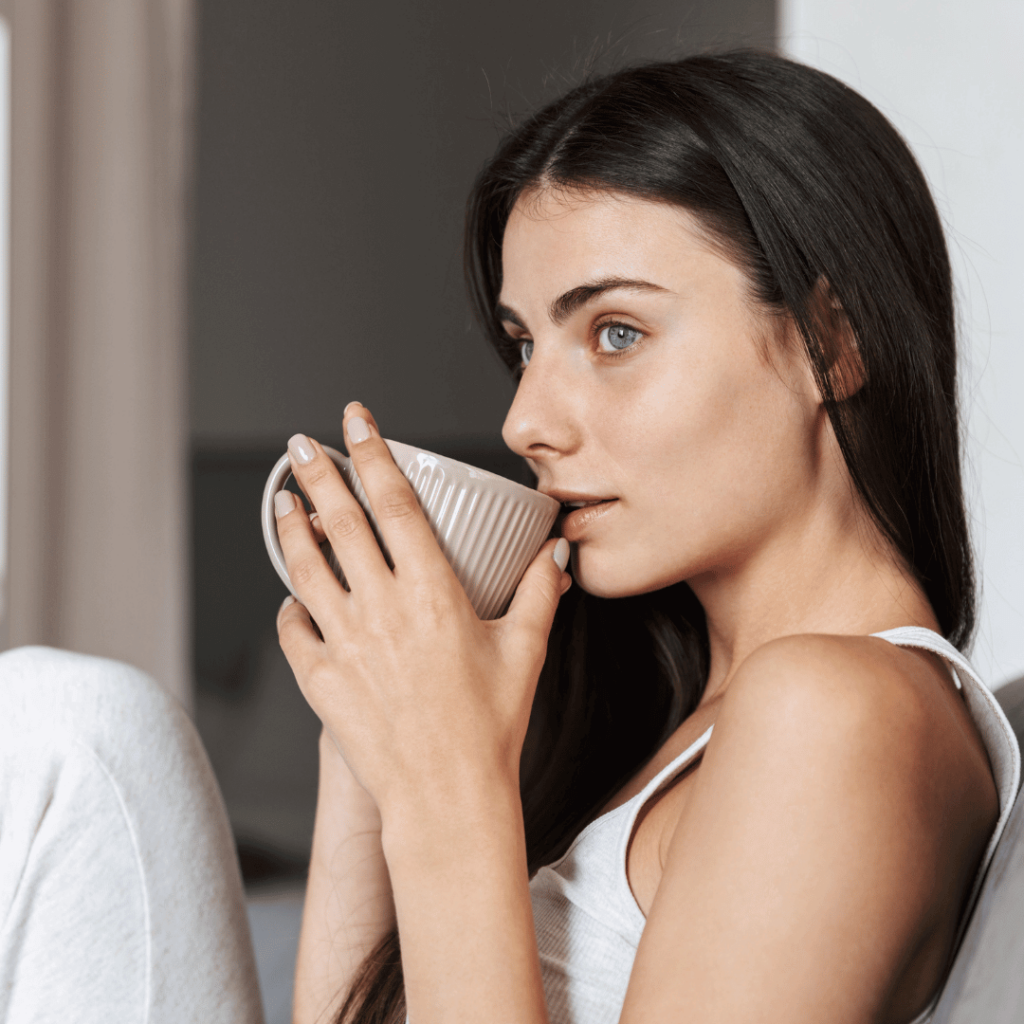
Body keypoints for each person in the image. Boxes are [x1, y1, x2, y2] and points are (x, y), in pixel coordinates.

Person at [273, 51, 1020, 1024]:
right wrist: (371, 739)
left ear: (831, 341)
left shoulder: (835, 710)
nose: (524, 420)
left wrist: (449, 798)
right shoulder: (678, 719)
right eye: (525, 346)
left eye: (615, 333)